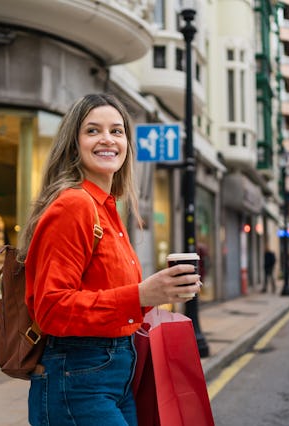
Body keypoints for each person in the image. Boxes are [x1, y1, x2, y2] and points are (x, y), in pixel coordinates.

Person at [20, 93, 202, 426]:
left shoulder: (107, 209)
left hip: (114, 376)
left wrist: (159, 294)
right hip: (77, 379)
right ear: (74, 145)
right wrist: (141, 295)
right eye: (93, 130)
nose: (107, 139)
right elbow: (51, 309)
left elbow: (107, 297)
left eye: (117, 131)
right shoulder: (74, 205)